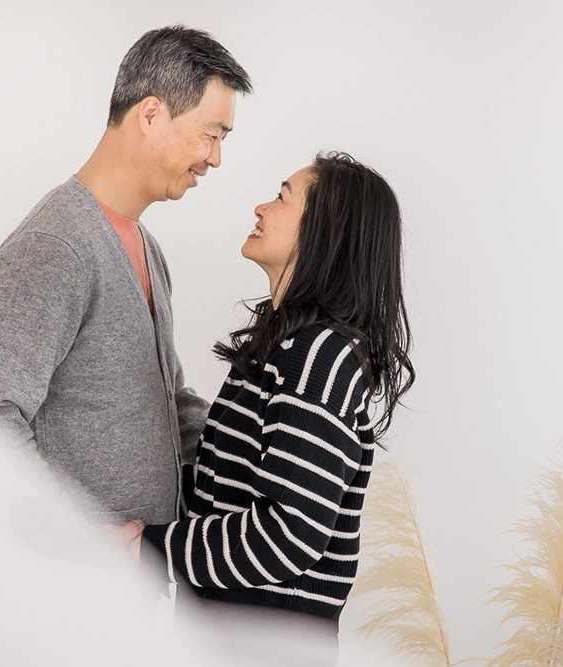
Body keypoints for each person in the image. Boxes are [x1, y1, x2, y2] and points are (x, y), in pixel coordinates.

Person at [0, 26, 252, 527]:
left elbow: (165, 404)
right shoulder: (55, 247)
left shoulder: (146, 248)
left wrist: (265, 447)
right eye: (212, 134)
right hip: (67, 590)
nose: (215, 156)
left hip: (131, 589)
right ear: (150, 115)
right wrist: (79, 540)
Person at [122, 152, 415, 663]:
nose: (260, 207)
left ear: (326, 232)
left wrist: (150, 547)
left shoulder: (318, 355)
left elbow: (289, 532)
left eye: (282, 197)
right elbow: (228, 490)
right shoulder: (289, 345)